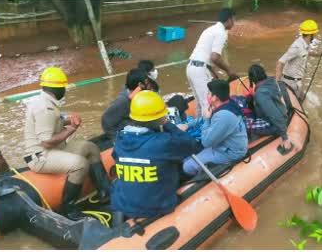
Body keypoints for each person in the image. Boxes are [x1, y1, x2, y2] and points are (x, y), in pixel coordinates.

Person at [23, 67, 110, 214]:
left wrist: (68, 121)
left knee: (91, 148)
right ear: (56, 88)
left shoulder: (45, 102)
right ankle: (68, 207)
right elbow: (47, 141)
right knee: (80, 164)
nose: (64, 90)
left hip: (53, 149)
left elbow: (50, 125)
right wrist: (71, 129)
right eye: (63, 87)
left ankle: (105, 191)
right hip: (40, 156)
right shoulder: (45, 108)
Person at [111, 91, 202, 219]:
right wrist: (168, 125)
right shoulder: (163, 142)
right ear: (159, 118)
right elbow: (191, 146)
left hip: (123, 205)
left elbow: (116, 157)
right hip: (155, 207)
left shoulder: (120, 139)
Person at [179, 79, 249, 176]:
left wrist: (207, 120)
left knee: (187, 166)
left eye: (209, 93)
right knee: (187, 158)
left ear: (214, 97)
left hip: (230, 152)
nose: (207, 95)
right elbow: (206, 118)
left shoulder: (223, 116)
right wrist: (187, 125)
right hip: (223, 145)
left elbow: (206, 142)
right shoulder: (227, 104)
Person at [186, 9, 238, 115]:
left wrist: (212, 72)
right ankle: (209, 130)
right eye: (234, 19)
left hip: (191, 68)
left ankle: (200, 127)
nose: (234, 22)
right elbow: (215, 57)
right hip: (200, 70)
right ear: (229, 20)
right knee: (208, 104)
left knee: (200, 104)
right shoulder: (221, 32)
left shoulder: (210, 29)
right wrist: (229, 70)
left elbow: (204, 55)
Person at [250, 64, 294, 152]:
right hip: (283, 114)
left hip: (274, 125)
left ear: (252, 79)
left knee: (246, 127)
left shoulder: (261, 94)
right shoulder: (272, 82)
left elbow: (275, 115)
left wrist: (285, 138)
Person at [275, 19, 322, 96]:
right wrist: (277, 83)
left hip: (297, 82)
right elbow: (280, 62)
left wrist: (318, 54)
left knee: (302, 100)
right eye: (315, 34)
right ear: (311, 35)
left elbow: (306, 53)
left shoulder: (304, 44)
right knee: (297, 104)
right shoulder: (297, 47)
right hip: (290, 83)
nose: (315, 35)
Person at [101, 69, 151, 139]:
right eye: (148, 83)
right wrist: (117, 140)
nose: (150, 86)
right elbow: (106, 122)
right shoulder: (122, 101)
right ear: (140, 85)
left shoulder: (139, 95)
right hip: (127, 134)